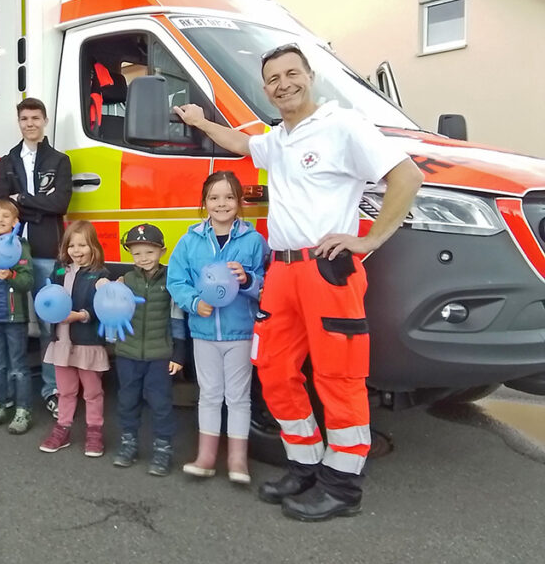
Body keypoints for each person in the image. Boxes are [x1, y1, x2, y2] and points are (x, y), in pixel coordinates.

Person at [175, 42, 422, 522]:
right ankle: (305, 465)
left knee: (338, 376)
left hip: (326, 269)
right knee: (273, 368)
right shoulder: (278, 138)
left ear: (311, 76)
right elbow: (243, 145)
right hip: (282, 271)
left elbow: (407, 177)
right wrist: (200, 122)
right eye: (273, 78)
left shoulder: (343, 125)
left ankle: (342, 486)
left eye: (292, 73)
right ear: (265, 89)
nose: (283, 84)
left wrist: (368, 240)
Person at [167, 172, 268, 484]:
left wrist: (248, 280)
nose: (221, 204)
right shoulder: (189, 241)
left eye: (228, 197)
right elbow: (176, 281)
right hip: (204, 332)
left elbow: (268, 283)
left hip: (240, 332)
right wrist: (195, 303)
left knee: (238, 396)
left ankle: (238, 460)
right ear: (204, 203)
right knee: (209, 394)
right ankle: (206, 456)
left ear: (239, 202)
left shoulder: (254, 241)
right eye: (214, 198)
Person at [0, 97, 72, 418]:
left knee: (51, 326)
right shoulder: (5, 162)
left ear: (45, 121)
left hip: (47, 253)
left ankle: (51, 390)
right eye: (24, 118)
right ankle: (11, 392)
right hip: (10, 257)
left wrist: (22, 199)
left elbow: (60, 204)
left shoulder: (59, 161)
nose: (30, 124)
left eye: (35, 118)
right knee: (12, 325)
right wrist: (39, 203)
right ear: (19, 122)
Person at [110, 223, 187, 476]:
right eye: (137, 253)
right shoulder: (126, 280)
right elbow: (112, 309)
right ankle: (128, 443)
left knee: (161, 404)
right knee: (127, 401)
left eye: (149, 252)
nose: (143, 258)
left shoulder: (171, 280)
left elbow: (176, 318)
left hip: (159, 355)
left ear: (162, 252)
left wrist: (178, 353)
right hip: (128, 354)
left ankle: (163, 449)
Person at [38, 221, 110, 457]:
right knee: (65, 390)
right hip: (62, 342)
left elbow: (103, 309)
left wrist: (81, 315)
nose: (76, 250)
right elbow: (50, 296)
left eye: (82, 245)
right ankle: (63, 428)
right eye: (72, 245)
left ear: (93, 246)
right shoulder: (60, 269)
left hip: (86, 342)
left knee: (92, 391)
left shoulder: (100, 274)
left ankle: (94, 431)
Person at [0, 199, 35, 434]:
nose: (0, 220)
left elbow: (27, 281)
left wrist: (11, 274)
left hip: (15, 317)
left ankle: (23, 411)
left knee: (19, 367)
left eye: (6, 216)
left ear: (15, 222)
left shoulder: (21, 247)